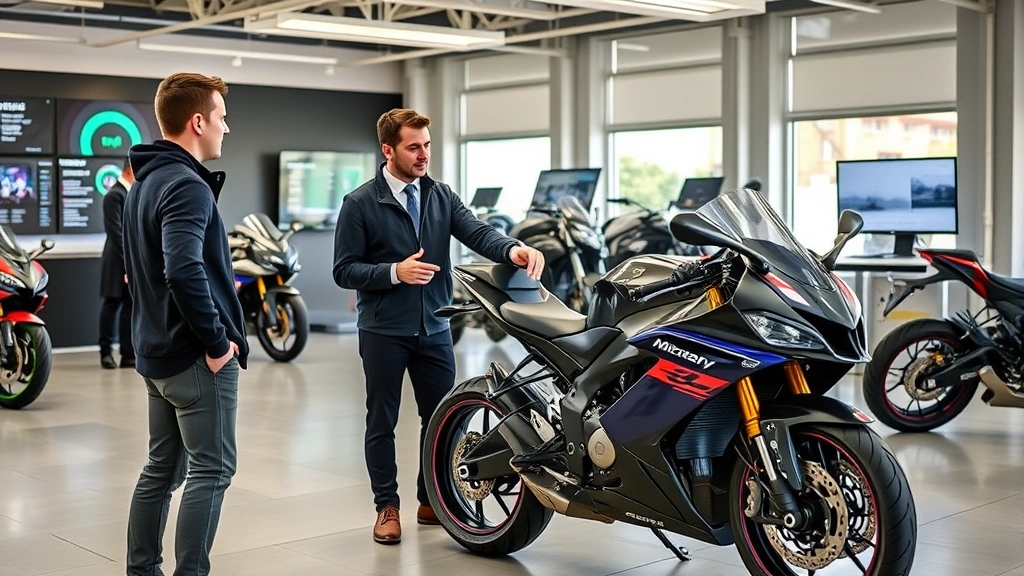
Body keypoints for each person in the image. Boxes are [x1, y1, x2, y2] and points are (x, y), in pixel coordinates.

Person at [333, 108, 544, 545]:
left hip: (435, 329)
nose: (423, 154)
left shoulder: (440, 195)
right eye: (414, 147)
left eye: (427, 145)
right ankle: (386, 507)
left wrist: (514, 251)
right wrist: (394, 272)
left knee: (444, 420)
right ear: (388, 150)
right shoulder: (359, 204)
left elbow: (478, 232)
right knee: (382, 422)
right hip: (383, 331)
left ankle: (432, 498)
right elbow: (344, 270)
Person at [122, 72, 248, 576]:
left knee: (161, 471)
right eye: (220, 117)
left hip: (157, 354)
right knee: (212, 470)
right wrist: (217, 342)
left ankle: (142, 571)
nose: (226, 128)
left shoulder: (145, 183)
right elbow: (182, 269)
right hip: (195, 359)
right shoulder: (186, 186)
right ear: (197, 122)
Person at [99, 156, 135, 369]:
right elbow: (117, 233)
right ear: (130, 170)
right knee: (111, 305)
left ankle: (128, 354)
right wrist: (128, 263)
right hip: (116, 261)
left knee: (129, 306)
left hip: (127, 259)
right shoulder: (114, 195)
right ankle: (105, 352)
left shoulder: (128, 194)